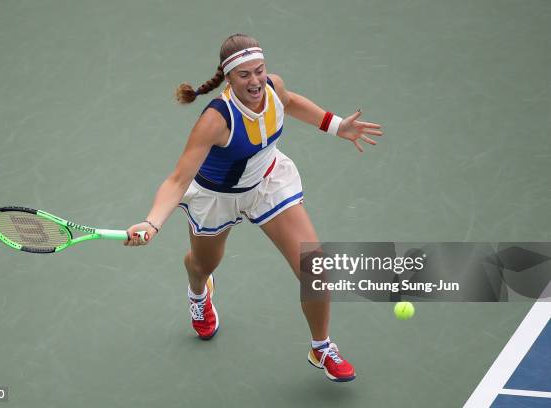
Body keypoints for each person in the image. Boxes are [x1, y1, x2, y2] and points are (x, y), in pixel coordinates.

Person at [124, 33, 383, 382]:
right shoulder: (216, 119)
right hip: (217, 195)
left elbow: (289, 102)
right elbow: (177, 180)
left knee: (315, 268)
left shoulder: (273, 86)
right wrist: (152, 223)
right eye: (244, 74)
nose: (256, 80)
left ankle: (321, 348)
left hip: (267, 182)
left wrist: (335, 126)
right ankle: (199, 291)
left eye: (259, 70)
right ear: (228, 79)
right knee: (203, 263)